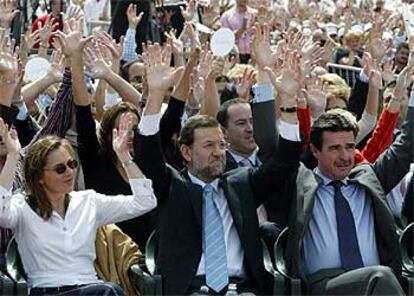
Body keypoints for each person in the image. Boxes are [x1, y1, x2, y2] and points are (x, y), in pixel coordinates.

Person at [134, 43, 301, 295]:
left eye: (222, 145)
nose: (218, 152)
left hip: (242, 289)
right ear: (186, 152)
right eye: (209, 145)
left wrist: (288, 102)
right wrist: (156, 95)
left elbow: (285, 162)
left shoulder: (242, 184)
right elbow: (147, 153)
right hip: (191, 289)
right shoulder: (172, 185)